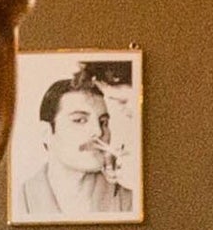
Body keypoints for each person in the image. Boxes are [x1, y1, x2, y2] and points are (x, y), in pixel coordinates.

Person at [15, 67, 135, 221]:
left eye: (103, 122)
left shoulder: (130, 203)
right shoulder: (19, 203)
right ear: (46, 133)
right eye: (79, 120)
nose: (98, 132)